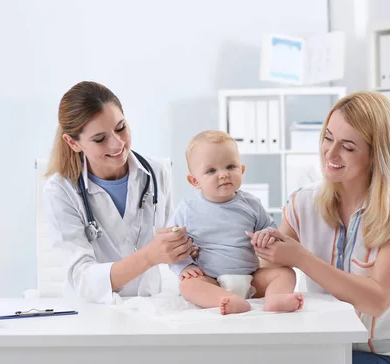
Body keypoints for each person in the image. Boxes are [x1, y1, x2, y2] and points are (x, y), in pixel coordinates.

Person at [254, 91, 390, 363]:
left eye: (347, 146)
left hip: (385, 352)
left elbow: (377, 301)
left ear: (374, 155)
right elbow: (264, 276)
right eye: (328, 138)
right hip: (326, 348)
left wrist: (300, 257)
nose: (330, 154)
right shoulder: (303, 203)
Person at [43, 81, 197, 304]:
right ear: (73, 143)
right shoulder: (60, 191)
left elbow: (171, 244)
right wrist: (149, 256)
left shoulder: (156, 172)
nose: (117, 145)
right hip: (92, 315)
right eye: (100, 139)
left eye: (121, 128)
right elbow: (83, 279)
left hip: (151, 307)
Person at [169, 130, 303, 315]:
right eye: (211, 170)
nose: (223, 174)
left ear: (241, 170)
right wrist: (184, 266)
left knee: (287, 273)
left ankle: (274, 298)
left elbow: (270, 228)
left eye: (230, 166)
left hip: (251, 278)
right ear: (194, 181)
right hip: (210, 278)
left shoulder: (251, 204)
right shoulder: (187, 209)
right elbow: (172, 243)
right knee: (188, 286)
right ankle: (226, 299)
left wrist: (266, 235)